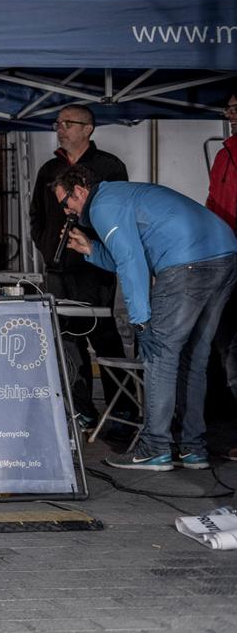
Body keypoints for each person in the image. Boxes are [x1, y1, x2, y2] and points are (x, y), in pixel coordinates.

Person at [58, 165, 237, 471]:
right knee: (194, 356)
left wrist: (141, 322)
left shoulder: (102, 206)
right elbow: (135, 255)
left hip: (186, 264)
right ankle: (194, 449)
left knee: (158, 356)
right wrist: (91, 249)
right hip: (225, 255)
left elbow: (131, 264)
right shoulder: (120, 196)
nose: (66, 212)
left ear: (81, 190)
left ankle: (155, 447)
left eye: (65, 203)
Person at [28, 105, 129, 429]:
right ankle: (82, 409)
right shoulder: (49, 168)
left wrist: (94, 245)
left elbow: (119, 214)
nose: (60, 128)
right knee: (67, 340)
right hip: (57, 268)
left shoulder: (109, 166)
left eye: (68, 123)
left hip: (94, 267)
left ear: (88, 128)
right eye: (57, 123)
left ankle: (122, 408)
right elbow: (36, 215)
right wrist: (45, 244)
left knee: (104, 335)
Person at [204, 89, 237, 458]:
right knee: (225, 344)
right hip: (225, 257)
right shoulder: (224, 152)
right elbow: (213, 203)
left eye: (236, 108)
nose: (230, 114)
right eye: (228, 108)